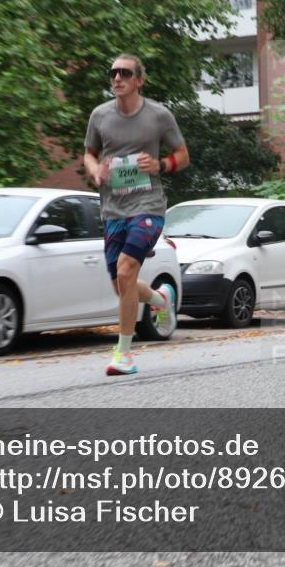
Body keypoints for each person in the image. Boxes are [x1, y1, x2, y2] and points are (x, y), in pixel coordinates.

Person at [84, 53, 190, 375]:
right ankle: (160, 299)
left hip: (149, 206)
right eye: (113, 73)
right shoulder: (100, 116)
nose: (117, 78)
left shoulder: (159, 116)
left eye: (125, 73)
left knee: (127, 270)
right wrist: (95, 171)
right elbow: (89, 153)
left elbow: (183, 156)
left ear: (139, 80)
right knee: (122, 284)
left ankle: (124, 355)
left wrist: (160, 165)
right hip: (113, 209)